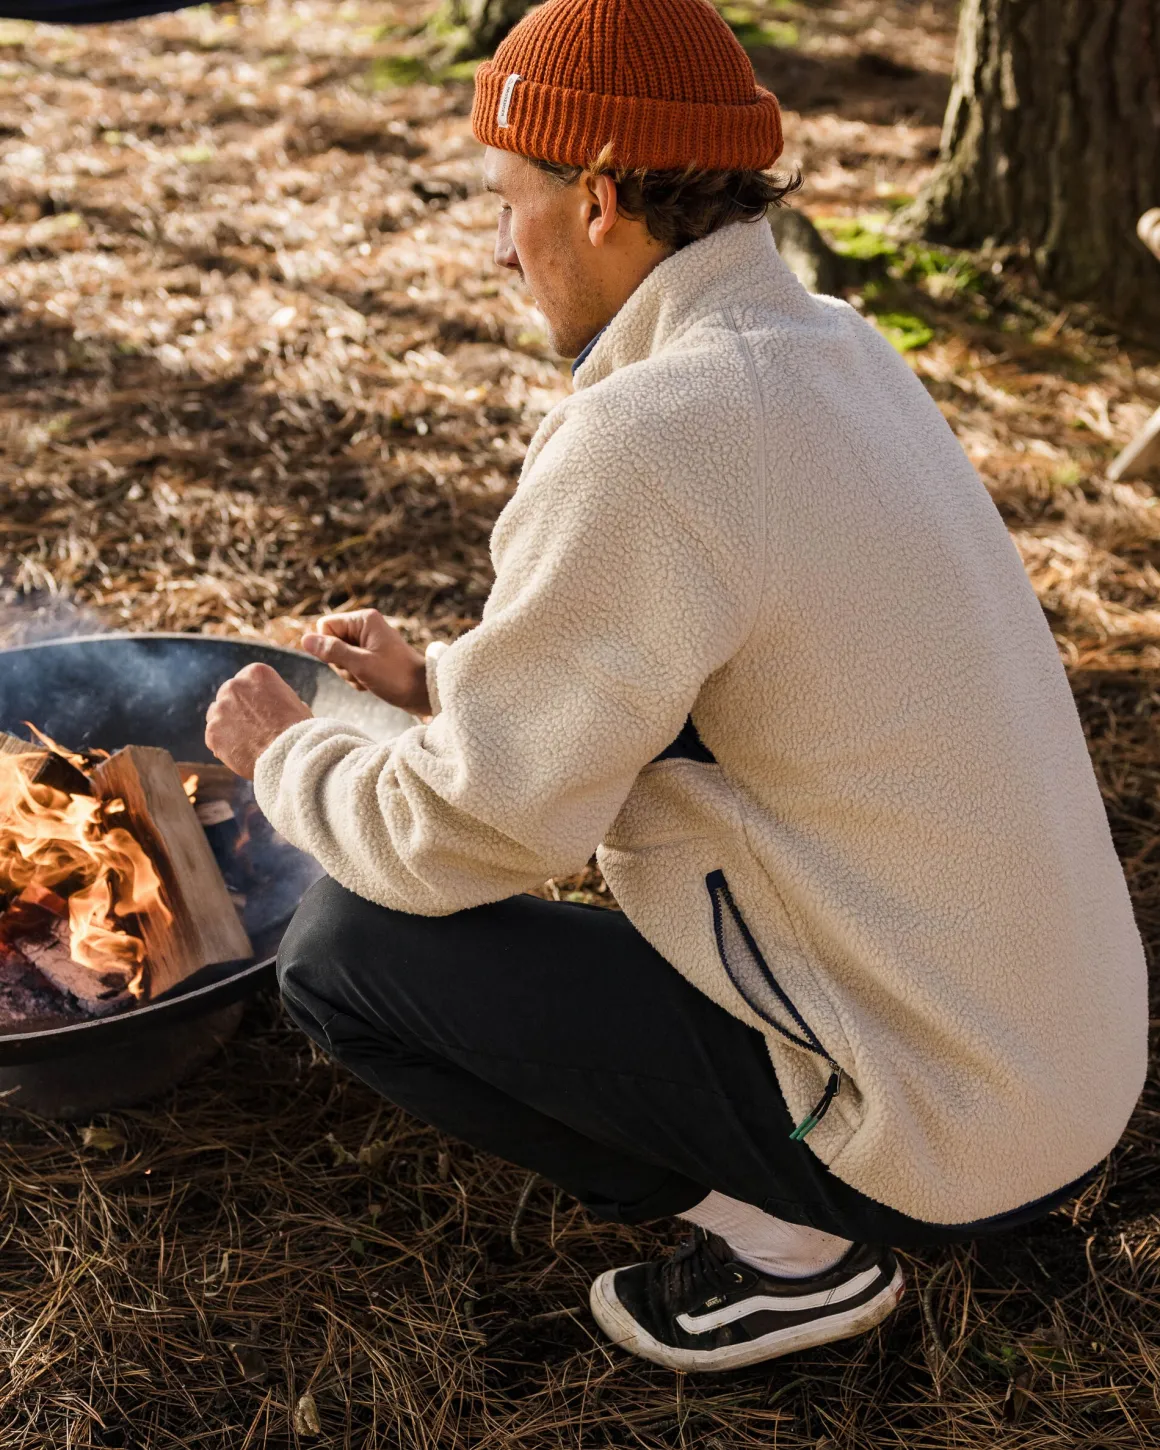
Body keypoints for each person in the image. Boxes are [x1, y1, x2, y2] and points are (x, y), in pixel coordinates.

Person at [204, 0, 1148, 1375]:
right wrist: (439, 684)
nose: (497, 241)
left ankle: (798, 1251)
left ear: (594, 199)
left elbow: (471, 841)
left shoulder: (654, 436)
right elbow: (706, 658)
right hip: (1054, 1061)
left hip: (936, 1120)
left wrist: (288, 757)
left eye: (508, 198)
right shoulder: (830, 345)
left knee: (347, 952)